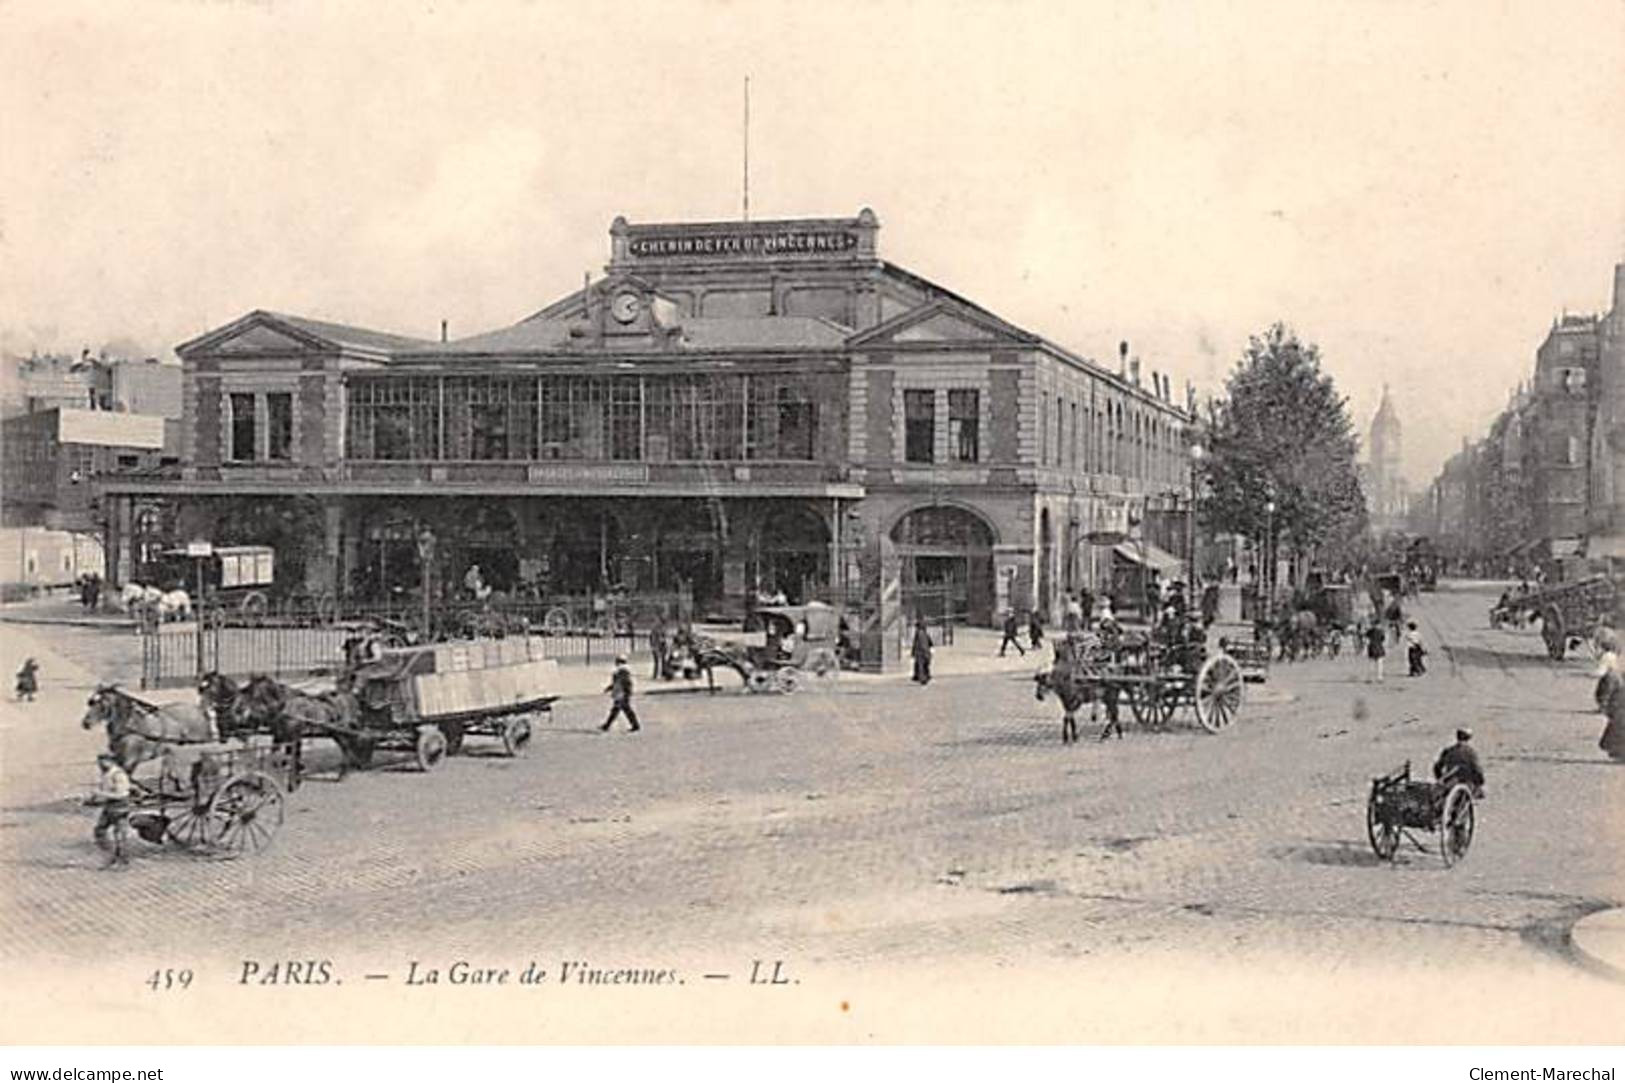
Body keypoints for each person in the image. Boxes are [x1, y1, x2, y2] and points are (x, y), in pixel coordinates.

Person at [88, 753, 133, 868]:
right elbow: (104, 790)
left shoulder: (118, 775)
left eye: (102, 762)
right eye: (99, 762)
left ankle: (123, 861)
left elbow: (122, 794)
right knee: (100, 831)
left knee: (120, 834)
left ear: (110, 761)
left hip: (120, 807)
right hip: (109, 806)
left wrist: (101, 794)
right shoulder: (106, 774)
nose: (99, 765)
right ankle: (111, 856)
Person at [1433, 728, 1485, 794]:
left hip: (1450, 781)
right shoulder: (1471, 752)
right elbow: (1477, 769)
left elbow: (1437, 767)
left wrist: (1440, 779)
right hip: (1466, 783)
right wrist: (1480, 782)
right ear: (1468, 738)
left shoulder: (1449, 750)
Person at [600, 654, 640, 732]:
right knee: (621, 709)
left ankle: (635, 725)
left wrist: (624, 692)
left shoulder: (622, 670)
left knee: (620, 709)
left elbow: (622, 682)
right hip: (622, 692)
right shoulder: (624, 670)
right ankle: (607, 725)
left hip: (621, 693)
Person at [911, 616, 933, 685]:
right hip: (923, 653)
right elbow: (930, 643)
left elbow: (918, 644)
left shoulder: (920, 634)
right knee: (922, 666)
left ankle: (923, 678)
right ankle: (923, 677)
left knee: (921, 666)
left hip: (921, 653)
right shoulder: (924, 634)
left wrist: (913, 653)